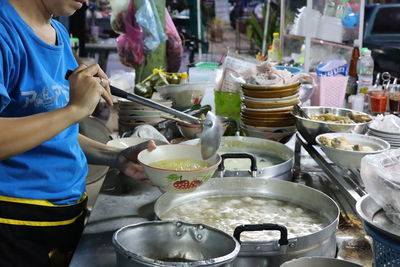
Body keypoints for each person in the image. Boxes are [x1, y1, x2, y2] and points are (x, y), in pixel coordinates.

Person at [0, 0, 156, 266]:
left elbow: (56, 130)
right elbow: (68, 115)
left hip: (66, 212)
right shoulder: (5, 32)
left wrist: (116, 156)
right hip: (15, 220)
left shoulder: (57, 31)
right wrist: (74, 109)